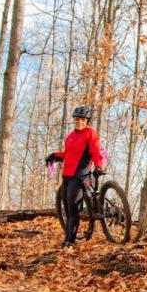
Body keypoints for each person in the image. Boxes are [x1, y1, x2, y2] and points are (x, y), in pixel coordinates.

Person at [46, 105, 105, 249]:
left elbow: (96, 152)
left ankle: (69, 241)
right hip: (66, 176)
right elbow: (68, 154)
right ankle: (69, 235)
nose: (79, 122)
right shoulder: (70, 136)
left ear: (87, 121)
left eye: (82, 120)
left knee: (73, 209)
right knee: (67, 208)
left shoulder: (91, 133)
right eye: (77, 119)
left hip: (80, 176)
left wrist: (99, 166)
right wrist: (55, 155)